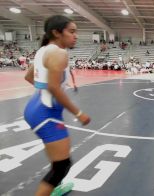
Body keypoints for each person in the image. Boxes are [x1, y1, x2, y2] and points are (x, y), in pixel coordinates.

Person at [23, 15, 91, 196]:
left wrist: (44, 94)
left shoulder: (43, 50)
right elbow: (53, 87)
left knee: (58, 159)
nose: (75, 36)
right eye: (71, 31)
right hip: (46, 114)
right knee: (62, 166)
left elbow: (29, 77)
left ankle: (55, 187)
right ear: (56, 32)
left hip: (37, 108)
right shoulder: (59, 53)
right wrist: (78, 113)